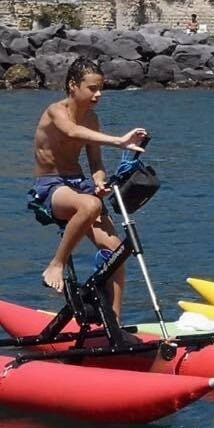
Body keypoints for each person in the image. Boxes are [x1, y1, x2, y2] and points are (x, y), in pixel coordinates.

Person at [28, 58, 147, 317]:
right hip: (51, 188)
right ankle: (56, 264)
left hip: (79, 185)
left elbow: (96, 162)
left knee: (117, 252)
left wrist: (100, 181)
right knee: (90, 204)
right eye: (92, 88)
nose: (98, 94)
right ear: (73, 85)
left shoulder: (93, 119)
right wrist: (119, 141)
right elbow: (71, 132)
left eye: (101, 88)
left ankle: (113, 323)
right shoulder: (55, 111)